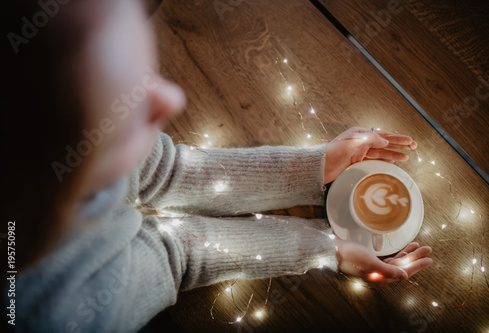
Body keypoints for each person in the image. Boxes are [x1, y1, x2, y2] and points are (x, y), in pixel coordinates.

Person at [2, 0, 432, 332]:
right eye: (117, 94)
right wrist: (322, 248)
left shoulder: (46, 137)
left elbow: (166, 171)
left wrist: (313, 167)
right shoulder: (56, 316)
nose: (171, 99)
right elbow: (177, 255)